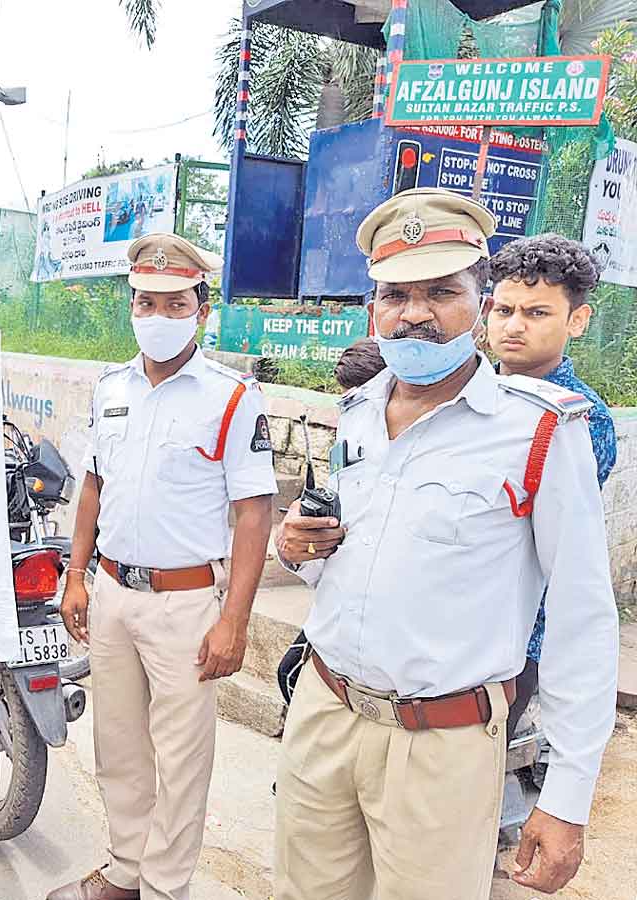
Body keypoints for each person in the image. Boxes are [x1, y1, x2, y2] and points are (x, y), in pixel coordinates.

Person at [273, 188, 619, 899]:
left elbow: (582, 619)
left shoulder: (540, 431)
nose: (415, 313)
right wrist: (298, 549)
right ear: (374, 308)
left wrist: (567, 796)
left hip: (442, 744)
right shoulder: (358, 412)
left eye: (441, 291)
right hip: (324, 711)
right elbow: (354, 562)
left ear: (479, 303)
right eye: (396, 294)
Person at [48, 234, 276, 900]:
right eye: (146, 302)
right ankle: (125, 869)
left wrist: (234, 621)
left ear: (201, 312)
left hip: (186, 603)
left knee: (181, 759)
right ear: (132, 306)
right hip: (112, 592)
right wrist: (75, 576)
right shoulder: (110, 388)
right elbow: (93, 486)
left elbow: (254, 515)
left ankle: (164, 886)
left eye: (175, 304)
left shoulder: (231, 397)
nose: (157, 315)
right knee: (118, 745)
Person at [487, 233, 617, 739]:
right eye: (504, 310)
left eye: (537, 313)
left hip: (513, 638)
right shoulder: (460, 395)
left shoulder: (579, 420)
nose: (514, 326)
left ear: (576, 321)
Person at [275, 337, 386, 705]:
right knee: (291, 674)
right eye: (347, 401)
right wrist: (297, 541)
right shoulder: (347, 442)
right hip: (338, 600)